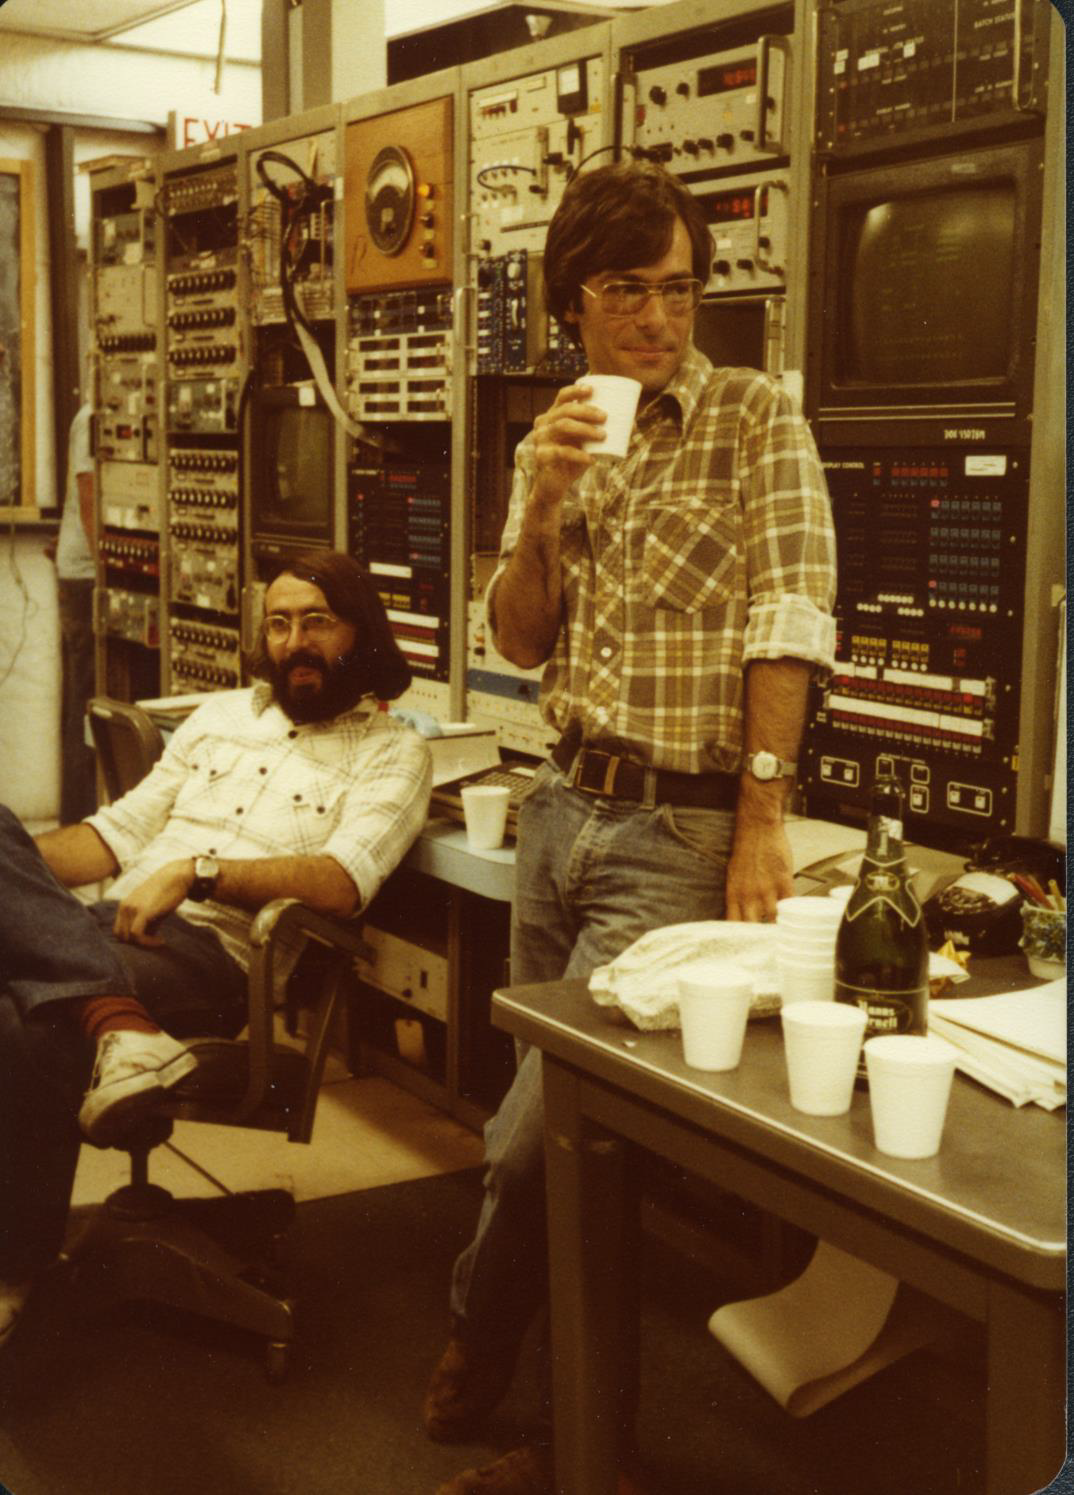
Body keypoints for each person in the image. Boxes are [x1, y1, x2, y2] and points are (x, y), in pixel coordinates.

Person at [424, 161, 838, 1495]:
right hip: (560, 805)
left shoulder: (757, 421)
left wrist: (761, 818)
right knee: (548, 1135)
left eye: (676, 288)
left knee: (538, 1135)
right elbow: (516, 635)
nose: (657, 318)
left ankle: (514, 1375)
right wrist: (539, 504)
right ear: (572, 306)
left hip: (675, 828)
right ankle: (551, 1395)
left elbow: (788, 615)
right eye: (624, 291)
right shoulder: (557, 434)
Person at [0, 550, 432, 1349]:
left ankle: (13, 1270)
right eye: (279, 622)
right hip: (99, 932)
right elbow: (112, 835)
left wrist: (198, 873)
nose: (294, 640)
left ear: (360, 633)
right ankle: (119, 1022)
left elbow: (341, 881)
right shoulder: (219, 718)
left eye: (316, 622)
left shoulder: (394, 751)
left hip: (217, 957)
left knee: (26, 1018)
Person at [53, 401, 97, 824]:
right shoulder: (90, 417)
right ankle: (79, 821)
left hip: (87, 575)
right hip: (86, 578)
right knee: (84, 699)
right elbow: (90, 502)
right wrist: (110, 576)